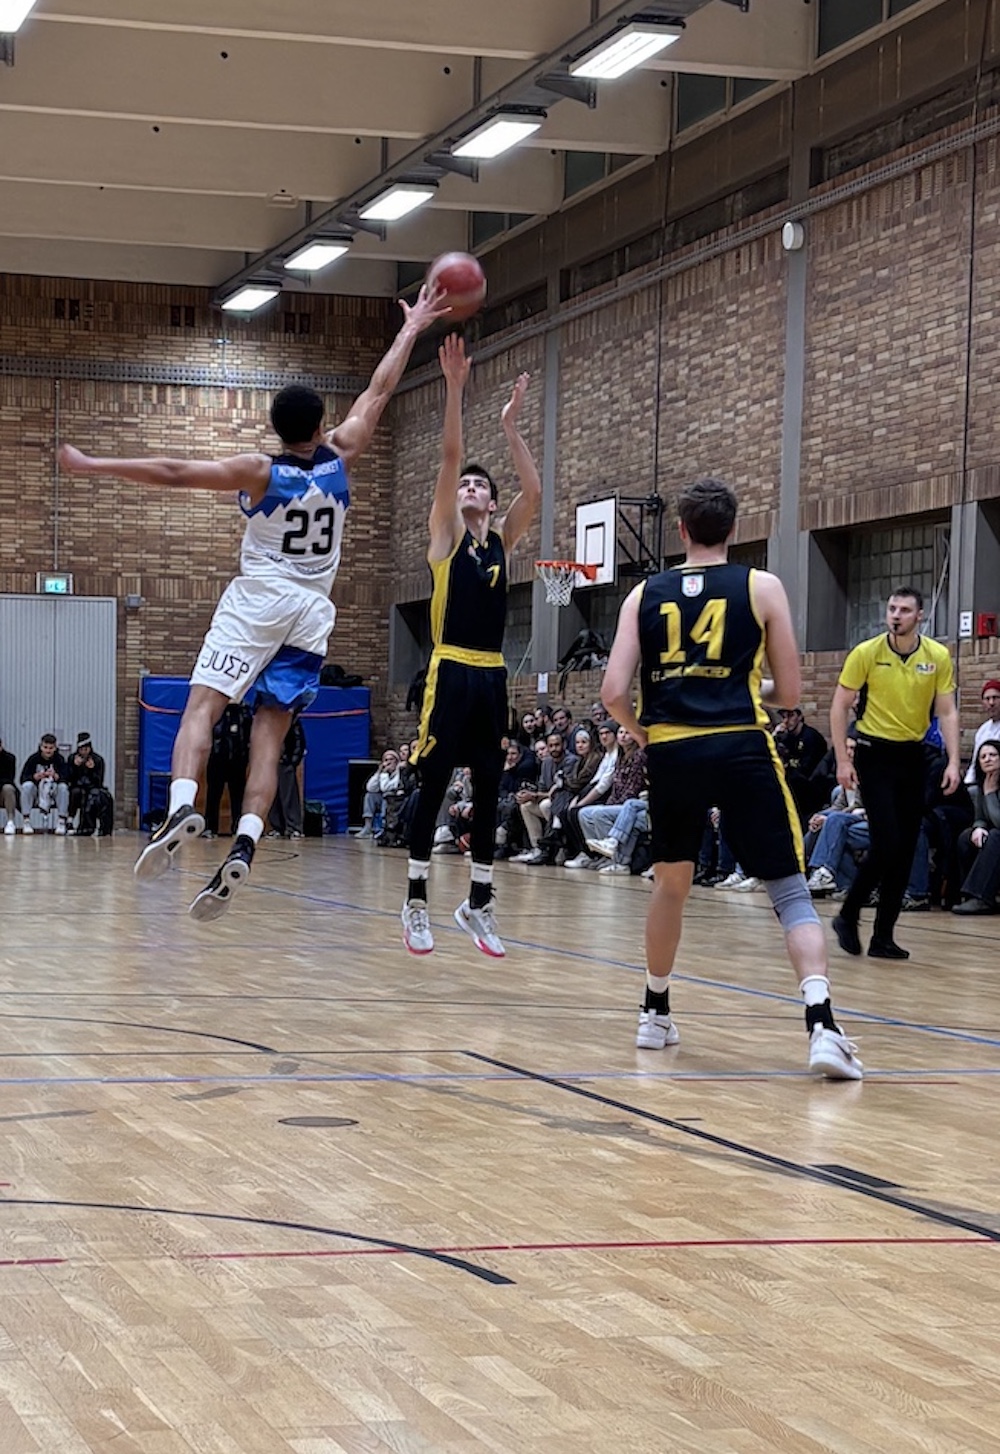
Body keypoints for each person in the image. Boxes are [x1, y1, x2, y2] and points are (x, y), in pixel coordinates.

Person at [59, 282, 447, 920]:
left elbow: (175, 472)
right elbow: (379, 391)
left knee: (202, 707)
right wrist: (411, 328)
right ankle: (245, 843)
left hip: (259, 601)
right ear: (320, 426)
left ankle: (181, 808)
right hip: (313, 613)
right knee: (270, 738)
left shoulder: (261, 472)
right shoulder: (343, 457)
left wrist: (95, 464)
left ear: (275, 428)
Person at [601, 476, 861, 1080]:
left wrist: (644, 733)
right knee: (788, 889)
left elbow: (613, 692)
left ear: (682, 530)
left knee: (671, 887)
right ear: (733, 529)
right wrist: (740, 684)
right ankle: (822, 1025)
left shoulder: (643, 594)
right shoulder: (761, 586)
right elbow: (790, 692)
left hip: (673, 750)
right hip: (741, 744)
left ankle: (654, 1012)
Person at [400, 334, 541, 957]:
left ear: (491, 500)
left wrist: (511, 427)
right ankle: (415, 902)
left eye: (480, 486)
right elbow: (451, 455)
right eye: (465, 486)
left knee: (489, 783)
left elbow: (534, 493)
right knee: (433, 782)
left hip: (492, 674)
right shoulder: (446, 536)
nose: (470, 488)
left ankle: (478, 902)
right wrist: (455, 389)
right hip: (451, 667)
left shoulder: (502, 541)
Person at [829, 587, 959, 959]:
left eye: (904, 610)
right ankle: (848, 914)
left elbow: (947, 711)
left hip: (913, 756)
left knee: (906, 847)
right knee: (886, 841)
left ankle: (882, 936)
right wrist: (842, 761)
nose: (896, 615)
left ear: (919, 616)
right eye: (892, 609)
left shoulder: (937, 656)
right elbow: (839, 706)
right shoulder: (866, 653)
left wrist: (953, 760)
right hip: (874, 753)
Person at [952, 739, 1000, 915]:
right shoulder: (982, 784)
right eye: (983, 756)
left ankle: (981, 898)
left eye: (993, 755)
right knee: (966, 837)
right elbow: (980, 817)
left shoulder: (989, 787)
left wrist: (990, 793)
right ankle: (969, 894)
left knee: (995, 836)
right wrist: (978, 827)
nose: (988, 759)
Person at [203, 702, 253, 838]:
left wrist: (245, 756)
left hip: (237, 760)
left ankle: (238, 826)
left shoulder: (244, 713)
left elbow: (248, 737)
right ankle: (210, 827)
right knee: (213, 795)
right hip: (217, 759)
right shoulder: (215, 712)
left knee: (237, 796)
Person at [19, 733, 69, 835]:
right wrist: (35, 777)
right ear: (41, 747)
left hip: (53, 790)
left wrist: (56, 776)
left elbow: (67, 778)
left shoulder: (59, 760)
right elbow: (23, 778)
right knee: (27, 786)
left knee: (63, 788)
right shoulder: (33, 759)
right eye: (45, 747)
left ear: (55, 748)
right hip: (37, 791)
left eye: (51, 748)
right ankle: (26, 821)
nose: (48, 751)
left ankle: (61, 821)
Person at [66, 732, 112, 836]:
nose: (83, 752)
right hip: (76, 787)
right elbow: (69, 778)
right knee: (76, 793)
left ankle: (90, 826)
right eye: (81, 749)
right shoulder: (72, 758)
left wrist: (92, 769)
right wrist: (75, 767)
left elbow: (99, 781)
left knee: (92, 796)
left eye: (86, 749)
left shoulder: (98, 760)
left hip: (92, 788)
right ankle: (70, 820)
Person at [269, 714, 306, 839]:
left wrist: (292, 761)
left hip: (286, 762)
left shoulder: (292, 720)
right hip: (272, 762)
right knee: (273, 797)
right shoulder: (268, 722)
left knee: (289, 795)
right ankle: (277, 827)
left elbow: (299, 742)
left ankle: (294, 827)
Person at [965, 680, 1000, 783]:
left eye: (995, 698)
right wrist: (968, 784)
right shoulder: (983, 730)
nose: (991, 703)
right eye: (987, 699)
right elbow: (974, 764)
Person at [0, 735, 16, 835]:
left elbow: (9, 779)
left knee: (9, 788)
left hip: (2, 791)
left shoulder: (9, 758)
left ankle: (10, 821)